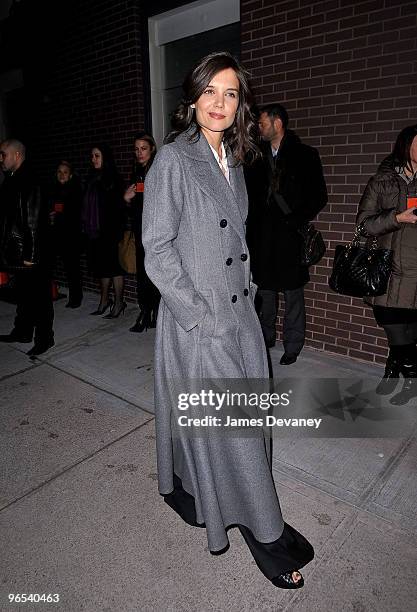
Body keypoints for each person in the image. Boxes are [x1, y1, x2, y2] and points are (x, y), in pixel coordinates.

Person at [142, 52, 314, 589]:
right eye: (210, 92)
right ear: (192, 99)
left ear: (242, 105)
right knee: (233, 428)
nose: (220, 103)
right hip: (202, 321)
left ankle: (216, 497)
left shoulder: (235, 159)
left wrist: (250, 293)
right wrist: (198, 316)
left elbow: (234, 240)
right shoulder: (173, 159)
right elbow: (156, 249)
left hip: (240, 313)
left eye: (231, 94)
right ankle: (265, 533)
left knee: (245, 422)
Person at [245, 104, 327, 364]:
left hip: (290, 238)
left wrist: (294, 221)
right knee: (265, 293)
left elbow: (319, 197)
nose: (259, 127)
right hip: (262, 239)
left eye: (262, 123)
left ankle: (293, 345)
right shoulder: (255, 158)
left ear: (277, 123)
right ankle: (265, 338)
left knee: (293, 295)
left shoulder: (305, 155)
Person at [357, 124, 417, 405]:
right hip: (388, 269)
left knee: (411, 329)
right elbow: (364, 225)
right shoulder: (382, 181)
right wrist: (397, 218)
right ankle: (410, 371)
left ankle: (396, 372)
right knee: (392, 324)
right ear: (406, 145)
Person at [0, 138, 54, 356]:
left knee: (39, 297)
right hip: (17, 251)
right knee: (24, 295)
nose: (0, 159)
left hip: (31, 252)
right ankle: (22, 331)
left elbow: (32, 221)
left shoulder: (29, 180)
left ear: (17, 155)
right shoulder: (12, 180)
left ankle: (44, 338)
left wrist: (30, 255)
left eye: (3, 154)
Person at [82, 143, 126, 318]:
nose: (93, 159)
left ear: (105, 158)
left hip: (111, 231)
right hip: (96, 232)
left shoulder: (113, 178)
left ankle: (119, 302)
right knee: (102, 268)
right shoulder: (92, 177)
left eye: (97, 156)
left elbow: (118, 207)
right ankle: (104, 301)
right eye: (92, 156)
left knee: (114, 268)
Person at [123, 133, 160, 332]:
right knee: (143, 275)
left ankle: (154, 312)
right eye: (136, 149)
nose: (139, 153)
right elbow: (136, 208)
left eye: (143, 148)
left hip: (157, 231)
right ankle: (145, 312)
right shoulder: (137, 172)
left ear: (152, 149)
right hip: (140, 231)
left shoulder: (158, 170)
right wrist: (127, 199)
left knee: (156, 274)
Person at [48, 160, 83, 308]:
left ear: (70, 175)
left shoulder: (75, 190)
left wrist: (59, 214)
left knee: (72, 268)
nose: (62, 175)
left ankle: (76, 298)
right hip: (57, 234)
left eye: (65, 172)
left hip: (71, 235)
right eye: (59, 172)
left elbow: (75, 213)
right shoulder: (54, 189)